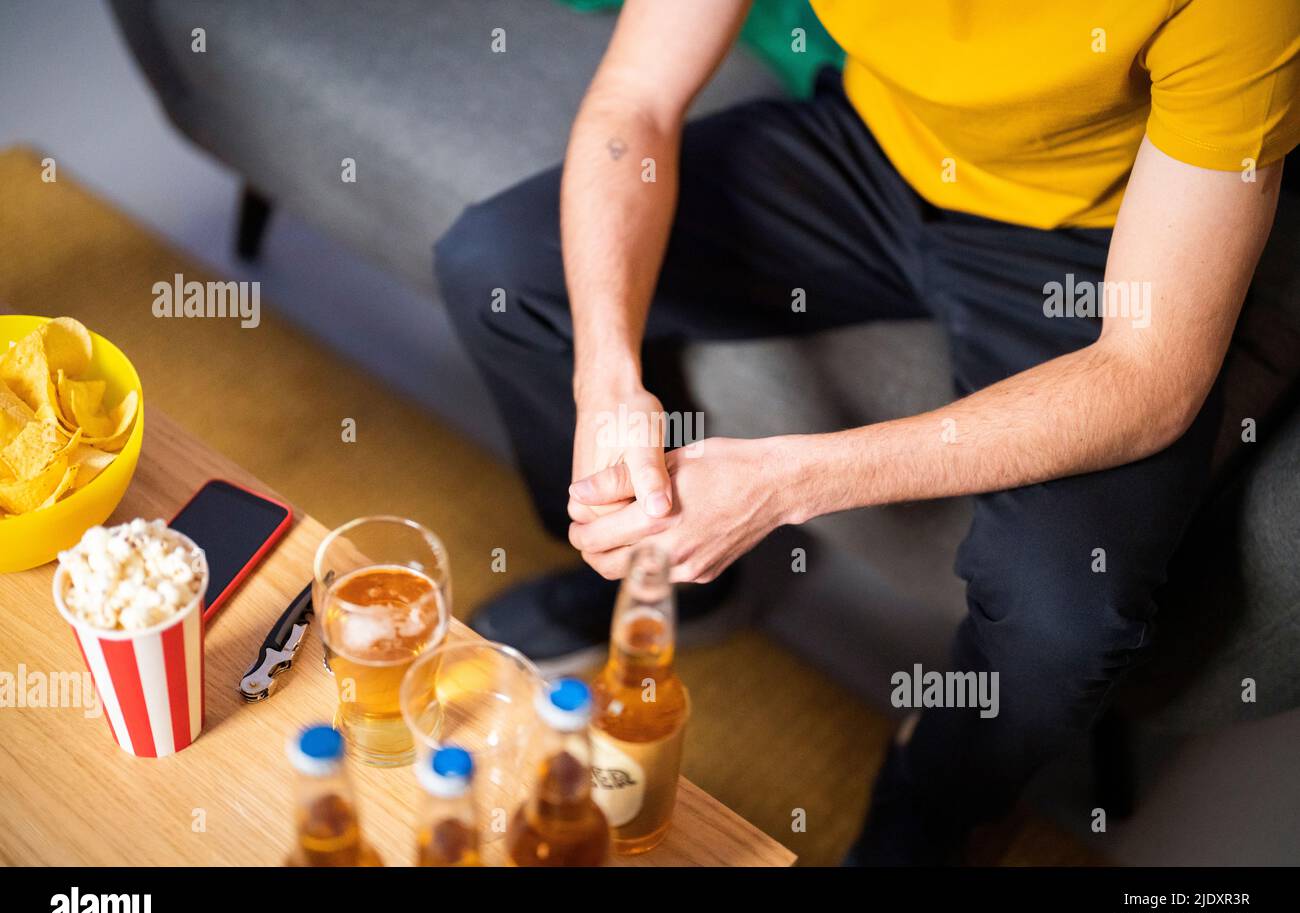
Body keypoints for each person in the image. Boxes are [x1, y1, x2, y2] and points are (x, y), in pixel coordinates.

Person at [436, 0, 1299, 864]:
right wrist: (608, 378)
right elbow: (634, 101)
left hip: (1102, 239)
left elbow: (1149, 378)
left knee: (1063, 612)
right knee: (496, 266)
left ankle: (936, 805)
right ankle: (657, 581)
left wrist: (786, 482)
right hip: (874, 146)